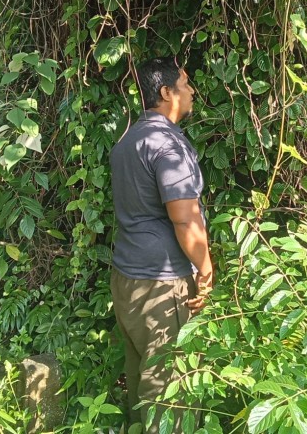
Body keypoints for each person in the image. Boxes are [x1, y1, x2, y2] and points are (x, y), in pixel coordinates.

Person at [110, 57, 214, 433]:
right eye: (185, 85)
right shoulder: (167, 145)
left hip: (127, 278)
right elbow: (184, 217)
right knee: (169, 387)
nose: (191, 92)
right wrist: (205, 267)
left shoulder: (128, 141)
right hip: (162, 282)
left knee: (141, 374)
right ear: (166, 92)